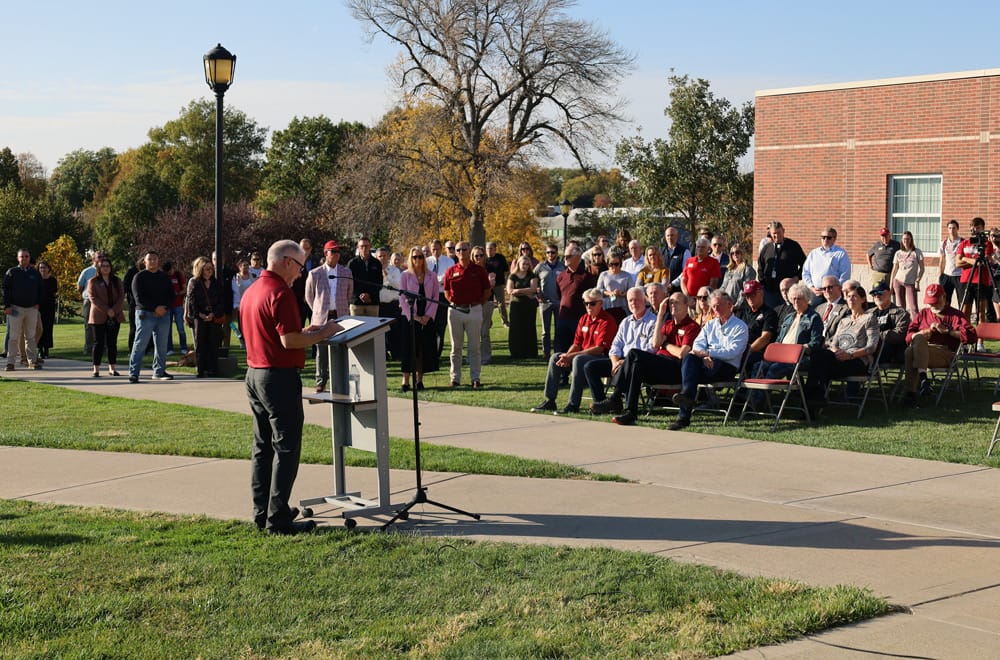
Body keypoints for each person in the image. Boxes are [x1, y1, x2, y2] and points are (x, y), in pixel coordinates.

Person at [242, 240, 341, 535]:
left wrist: (304, 332)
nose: (300, 272)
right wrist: (324, 331)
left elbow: (278, 333)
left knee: (262, 446)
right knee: (286, 447)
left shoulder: (252, 291)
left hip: (254, 374)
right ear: (287, 261)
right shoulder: (280, 293)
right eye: (299, 266)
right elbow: (288, 341)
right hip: (278, 376)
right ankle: (278, 520)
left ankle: (265, 512)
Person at [645, 290, 748, 431]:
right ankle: (684, 412)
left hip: (726, 366)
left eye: (718, 306)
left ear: (729, 305)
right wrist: (704, 356)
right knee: (689, 357)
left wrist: (709, 353)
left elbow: (733, 351)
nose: (715, 309)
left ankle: (685, 405)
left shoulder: (740, 326)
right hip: (706, 362)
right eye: (713, 306)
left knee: (690, 372)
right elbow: (698, 344)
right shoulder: (710, 325)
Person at [592, 291, 700, 420]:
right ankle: (630, 412)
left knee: (633, 353)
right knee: (636, 366)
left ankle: (615, 398)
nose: (673, 306)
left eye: (676, 302)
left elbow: (681, 354)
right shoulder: (668, 325)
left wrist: (665, 344)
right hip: (660, 365)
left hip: (674, 368)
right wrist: (660, 314)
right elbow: (656, 343)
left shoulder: (692, 326)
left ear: (686, 305)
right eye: (670, 303)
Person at [531, 288, 617, 414]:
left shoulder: (607, 320)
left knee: (578, 359)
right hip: (583, 356)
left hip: (602, 358)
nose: (588, 306)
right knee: (555, 357)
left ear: (601, 303)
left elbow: (599, 349)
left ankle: (573, 404)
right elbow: (577, 343)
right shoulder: (584, 319)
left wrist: (571, 356)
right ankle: (550, 400)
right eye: (586, 303)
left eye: (592, 303)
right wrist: (566, 356)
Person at [582, 286, 657, 408]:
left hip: (639, 364)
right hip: (620, 361)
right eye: (630, 300)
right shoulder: (625, 322)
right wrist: (615, 362)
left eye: (637, 299)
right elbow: (615, 345)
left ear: (644, 300)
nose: (634, 303)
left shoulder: (653, 322)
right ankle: (601, 402)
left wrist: (624, 362)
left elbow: (651, 349)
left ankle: (614, 401)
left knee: (629, 366)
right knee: (590, 367)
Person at [804, 284, 880, 405]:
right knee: (818, 354)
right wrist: (836, 352)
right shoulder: (845, 320)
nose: (851, 299)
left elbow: (871, 347)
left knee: (819, 364)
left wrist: (849, 355)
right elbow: (833, 343)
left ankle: (811, 399)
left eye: (854, 296)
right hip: (839, 357)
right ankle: (814, 398)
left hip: (857, 360)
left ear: (863, 299)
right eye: (849, 296)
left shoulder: (869, 318)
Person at [902, 283, 975, 408]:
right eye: (930, 302)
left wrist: (949, 332)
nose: (932, 305)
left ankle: (912, 393)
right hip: (923, 351)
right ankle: (923, 381)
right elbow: (908, 336)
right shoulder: (923, 313)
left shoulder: (955, 315)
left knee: (911, 351)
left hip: (945, 353)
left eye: (935, 301)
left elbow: (972, 336)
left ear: (943, 297)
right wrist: (921, 333)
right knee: (912, 348)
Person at [305, 240, 352, 393]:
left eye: (338, 252)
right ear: (326, 253)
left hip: (341, 316)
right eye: (333, 251)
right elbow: (309, 296)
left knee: (341, 349)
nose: (337, 254)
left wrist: (341, 307)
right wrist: (318, 310)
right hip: (321, 318)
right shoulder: (315, 273)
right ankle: (321, 381)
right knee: (322, 352)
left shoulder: (346, 272)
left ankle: (342, 380)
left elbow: (349, 293)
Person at [443, 241, 492, 388]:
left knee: (474, 347)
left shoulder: (479, 270)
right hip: (455, 311)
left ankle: (475, 378)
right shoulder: (450, 271)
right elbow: (446, 292)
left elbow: (487, 291)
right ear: (455, 252)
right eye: (458, 250)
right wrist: (455, 303)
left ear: (469, 250)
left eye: (464, 249)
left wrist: (477, 304)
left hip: (474, 309)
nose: (461, 252)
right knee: (455, 347)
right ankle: (455, 379)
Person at [755, 282, 823, 380]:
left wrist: (796, 349)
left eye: (799, 298)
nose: (795, 301)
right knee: (758, 366)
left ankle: (763, 394)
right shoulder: (788, 318)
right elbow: (779, 338)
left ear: (807, 299)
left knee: (775, 369)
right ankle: (753, 395)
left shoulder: (814, 318)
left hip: (800, 358)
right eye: (793, 299)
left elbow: (815, 343)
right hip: (781, 355)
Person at [127, 251, 174, 383]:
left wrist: (164, 308)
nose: (152, 261)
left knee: (162, 346)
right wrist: (154, 308)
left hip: (163, 315)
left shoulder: (164, 277)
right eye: (150, 259)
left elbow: (171, 295)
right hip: (145, 314)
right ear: (144, 262)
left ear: (158, 261)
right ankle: (134, 373)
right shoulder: (139, 277)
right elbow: (138, 298)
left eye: (155, 259)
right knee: (140, 344)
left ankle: (159, 371)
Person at [399, 247, 440, 391]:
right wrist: (414, 316)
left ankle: (419, 380)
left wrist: (428, 316)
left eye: (420, 257)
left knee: (423, 349)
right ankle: (405, 381)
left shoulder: (432, 276)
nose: (418, 260)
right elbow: (402, 298)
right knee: (409, 349)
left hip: (427, 317)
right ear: (410, 259)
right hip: (410, 317)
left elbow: (436, 297)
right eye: (414, 257)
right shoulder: (405, 275)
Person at [3, 249, 43, 371]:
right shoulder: (12, 272)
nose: (24, 258)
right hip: (15, 308)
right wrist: (7, 306)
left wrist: (38, 303)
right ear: (18, 258)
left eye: (26, 256)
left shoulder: (35, 273)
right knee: (13, 337)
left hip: (31, 309)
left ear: (29, 258)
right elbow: (5, 290)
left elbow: (41, 289)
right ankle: (10, 363)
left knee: (30, 336)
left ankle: (32, 361)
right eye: (22, 256)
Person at [185, 256, 224, 378]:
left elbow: (221, 300)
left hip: (213, 316)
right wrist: (199, 314)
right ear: (201, 269)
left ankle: (213, 369)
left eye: (211, 269)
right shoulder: (194, 282)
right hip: (199, 317)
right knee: (200, 343)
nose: (209, 271)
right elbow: (191, 301)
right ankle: (200, 369)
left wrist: (214, 314)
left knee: (214, 342)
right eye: (207, 269)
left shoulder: (216, 283)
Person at [554, 244, 597, 354]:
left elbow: (591, 297)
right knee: (561, 349)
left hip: (580, 319)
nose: (565, 259)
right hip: (563, 318)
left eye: (568, 256)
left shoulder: (586, 276)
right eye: (564, 256)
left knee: (578, 348)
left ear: (578, 257)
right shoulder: (561, 276)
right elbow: (560, 295)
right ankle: (563, 371)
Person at [86, 257, 125, 377]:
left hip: (115, 315)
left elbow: (121, 297)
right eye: (103, 266)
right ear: (99, 267)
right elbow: (93, 298)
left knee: (112, 343)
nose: (106, 268)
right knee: (98, 343)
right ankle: (96, 369)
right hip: (98, 316)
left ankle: (112, 368)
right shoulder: (93, 281)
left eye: (108, 266)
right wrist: (107, 310)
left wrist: (114, 310)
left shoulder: (116, 281)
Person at [734, 280, 778, 379]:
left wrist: (746, 351)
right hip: (738, 350)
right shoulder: (741, 313)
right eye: (747, 295)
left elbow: (765, 338)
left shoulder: (769, 313)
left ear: (761, 293)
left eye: (752, 294)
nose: (749, 298)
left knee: (743, 359)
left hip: (758, 352)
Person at [757, 222, 806, 309]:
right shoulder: (766, 248)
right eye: (774, 233)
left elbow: (805, 265)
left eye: (779, 232)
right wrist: (763, 283)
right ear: (770, 234)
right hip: (770, 291)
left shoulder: (793, 246)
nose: (777, 236)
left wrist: (796, 278)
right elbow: (760, 267)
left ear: (783, 231)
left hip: (788, 290)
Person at [802, 227, 852, 306]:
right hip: (816, 293)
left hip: (833, 293)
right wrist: (811, 287)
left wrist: (836, 289)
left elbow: (845, 275)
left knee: (833, 316)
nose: (825, 240)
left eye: (828, 238)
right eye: (823, 237)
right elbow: (806, 273)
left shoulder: (841, 253)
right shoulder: (813, 253)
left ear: (834, 239)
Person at [957, 216, 994, 323]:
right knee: (965, 312)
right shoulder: (964, 243)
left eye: (977, 227)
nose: (974, 229)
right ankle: (967, 337)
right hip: (966, 280)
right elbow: (958, 263)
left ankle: (980, 339)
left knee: (981, 312)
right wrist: (971, 261)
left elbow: (982, 262)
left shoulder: (987, 244)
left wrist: (964, 258)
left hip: (981, 281)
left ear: (982, 228)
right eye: (972, 227)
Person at [534, 243, 564, 360]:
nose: (550, 255)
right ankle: (546, 352)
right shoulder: (540, 267)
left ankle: (557, 352)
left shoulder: (562, 267)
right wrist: (537, 293)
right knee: (545, 330)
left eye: (553, 252)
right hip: (544, 303)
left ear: (557, 253)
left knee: (558, 329)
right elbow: (533, 281)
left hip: (558, 302)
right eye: (548, 252)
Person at [426, 238, 455, 359]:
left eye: (437, 249)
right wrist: (438, 280)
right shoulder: (426, 262)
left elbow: (449, 277)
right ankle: (430, 352)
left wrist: (437, 280)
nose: (435, 251)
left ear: (441, 249)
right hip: (429, 296)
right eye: (433, 249)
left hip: (443, 296)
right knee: (430, 325)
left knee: (441, 325)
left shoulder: (449, 262)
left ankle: (438, 353)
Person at [506, 255, 539, 359]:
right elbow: (510, 291)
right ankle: (516, 352)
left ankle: (530, 352)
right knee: (516, 328)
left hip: (529, 306)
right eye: (523, 264)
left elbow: (533, 289)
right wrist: (526, 291)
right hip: (516, 306)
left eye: (527, 264)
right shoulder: (513, 276)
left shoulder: (532, 275)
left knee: (529, 327)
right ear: (518, 264)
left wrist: (518, 291)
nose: (525, 266)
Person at [870, 281, 910, 364]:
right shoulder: (868, 313)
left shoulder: (901, 313)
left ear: (889, 293)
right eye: (874, 294)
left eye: (880, 293)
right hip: (870, 347)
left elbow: (900, 334)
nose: (877, 296)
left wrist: (875, 336)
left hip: (890, 351)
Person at [889, 230, 924, 318]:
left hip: (910, 283)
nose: (906, 241)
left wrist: (918, 280)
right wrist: (891, 285)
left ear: (911, 240)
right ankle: (903, 325)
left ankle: (916, 326)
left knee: (913, 308)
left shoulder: (917, 252)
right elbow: (894, 269)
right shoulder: (898, 253)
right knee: (900, 307)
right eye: (904, 239)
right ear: (901, 240)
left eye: (908, 239)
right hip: (898, 281)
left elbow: (922, 268)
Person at [376, 245, 403, 361]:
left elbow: (398, 285)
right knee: (381, 332)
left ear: (388, 257)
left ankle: (396, 354)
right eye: (380, 256)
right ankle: (383, 354)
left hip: (393, 304)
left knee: (395, 331)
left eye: (384, 256)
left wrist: (387, 276)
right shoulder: (374, 270)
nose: (382, 258)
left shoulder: (395, 270)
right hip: (380, 305)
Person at [347, 237, 382, 317]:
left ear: (370, 247)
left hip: (373, 303)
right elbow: (349, 282)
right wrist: (360, 295)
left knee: (373, 328)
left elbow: (379, 282)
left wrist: (369, 295)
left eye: (366, 246)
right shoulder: (352, 263)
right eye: (361, 246)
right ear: (358, 248)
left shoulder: (377, 263)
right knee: (357, 329)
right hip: (356, 304)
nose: (364, 248)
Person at [596, 254, 634, 323]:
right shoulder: (603, 275)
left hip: (623, 308)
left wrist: (622, 293)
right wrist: (610, 293)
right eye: (611, 264)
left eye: (616, 264)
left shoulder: (627, 275)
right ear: (608, 264)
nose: (613, 266)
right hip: (607, 307)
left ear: (620, 264)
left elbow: (632, 291)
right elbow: (598, 291)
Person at [77, 250, 102, 354]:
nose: (101, 259)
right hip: (89, 301)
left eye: (102, 257)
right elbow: (80, 287)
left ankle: (102, 348)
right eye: (99, 257)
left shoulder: (106, 270)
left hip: (102, 302)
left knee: (102, 325)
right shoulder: (87, 271)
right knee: (89, 325)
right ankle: (88, 348)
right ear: (93, 259)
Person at [163, 261, 189, 356]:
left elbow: (185, 289)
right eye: (167, 272)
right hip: (167, 306)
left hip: (178, 305)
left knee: (180, 327)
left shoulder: (178, 275)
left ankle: (184, 347)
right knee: (168, 328)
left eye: (170, 271)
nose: (169, 273)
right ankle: (169, 348)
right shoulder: (164, 276)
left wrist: (177, 293)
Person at [720, 243, 756, 307]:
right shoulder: (729, 269)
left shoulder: (747, 269)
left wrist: (737, 305)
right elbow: (723, 287)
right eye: (732, 253)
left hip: (739, 307)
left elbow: (746, 290)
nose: (735, 254)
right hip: (725, 305)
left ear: (742, 253)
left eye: (737, 252)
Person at [815, 275, 849, 342]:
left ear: (839, 288)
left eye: (830, 287)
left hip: (831, 346)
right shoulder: (819, 308)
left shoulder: (846, 308)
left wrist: (827, 344)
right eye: (824, 288)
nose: (827, 290)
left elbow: (842, 332)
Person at [484, 241, 510, 329]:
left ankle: (505, 322)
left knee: (501, 304)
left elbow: (506, 269)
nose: (489, 250)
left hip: (499, 284)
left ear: (495, 249)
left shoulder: (500, 258)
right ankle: (488, 322)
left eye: (491, 248)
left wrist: (505, 282)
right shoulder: (483, 259)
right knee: (488, 304)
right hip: (487, 286)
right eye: (487, 248)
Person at [36, 260, 58, 360]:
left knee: (48, 328)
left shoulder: (53, 280)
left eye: (44, 267)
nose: (43, 269)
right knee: (39, 328)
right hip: (39, 307)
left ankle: (47, 350)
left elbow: (54, 293)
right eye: (41, 268)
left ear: (48, 268)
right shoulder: (36, 279)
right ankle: (40, 350)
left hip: (49, 307)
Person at [231, 259, 255, 348]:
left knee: (249, 324)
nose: (246, 267)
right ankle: (241, 339)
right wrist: (237, 305)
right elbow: (235, 291)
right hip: (239, 305)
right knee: (235, 325)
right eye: (243, 265)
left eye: (247, 265)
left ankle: (249, 341)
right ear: (240, 267)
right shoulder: (236, 278)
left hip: (250, 305)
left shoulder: (252, 277)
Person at [939, 219, 963, 306]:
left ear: (957, 229)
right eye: (950, 228)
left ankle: (961, 318)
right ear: (947, 229)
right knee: (945, 301)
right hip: (947, 275)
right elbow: (942, 260)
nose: (952, 230)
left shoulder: (963, 242)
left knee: (962, 300)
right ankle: (946, 319)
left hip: (959, 275)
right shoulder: (944, 243)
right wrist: (940, 275)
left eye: (954, 228)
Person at [123, 257, 144, 353]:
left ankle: (147, 348)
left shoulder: (151, 273)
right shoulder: (132, 272)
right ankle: (132, 348)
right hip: (134, 303)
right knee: (134, 327)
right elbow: (125, 287)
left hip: (148, 305)